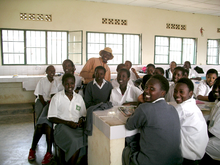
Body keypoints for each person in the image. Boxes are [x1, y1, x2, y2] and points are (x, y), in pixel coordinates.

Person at [122, 75, 183, 165]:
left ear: (163, 93)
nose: (146, 91)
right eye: (146, 87)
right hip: (175, 161)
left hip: (150, 162)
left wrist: (140, 104)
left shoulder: (145, 108)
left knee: (126, 150)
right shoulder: (172, 109)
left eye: (152, 89)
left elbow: (129, 125)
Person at [48, 73, 87, 165]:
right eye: (67, 84)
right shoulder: (57, 97)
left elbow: (83, 115)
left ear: (75, 83)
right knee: (75, 141)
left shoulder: (79, 98)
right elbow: (51, 117)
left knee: (86, 139)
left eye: (72, 83)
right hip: (62, 127)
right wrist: (67, 123)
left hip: (76, 127)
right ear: (63, 84)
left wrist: (81, 120)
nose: (70, 86)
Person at [173, 78, 209, 165]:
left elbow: (161, 124)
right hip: (198, 154)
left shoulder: (183, 108)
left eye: (181, 92)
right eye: (175, 91)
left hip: (187, 159)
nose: (177, 95)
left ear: (190, 93)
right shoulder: (192, 106)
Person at [28, 65, 55, 164]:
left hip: (51, 103)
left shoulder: (56, 81)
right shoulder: (42, 81)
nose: (52, 72)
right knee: (41, 119)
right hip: (42, 101)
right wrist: (45, 106)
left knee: (48, 121)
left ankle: (48, 151)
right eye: (50, 70)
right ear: (46, 71)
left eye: (54, 70)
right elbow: (40, 95)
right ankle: (32, 149)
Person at [200, 77, 220, 165]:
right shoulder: (217, 102)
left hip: (217, 141)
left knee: (198, 146)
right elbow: (210, 122)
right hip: (215, 137)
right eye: (215, 86)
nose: (216, 89)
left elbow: (211, 132)